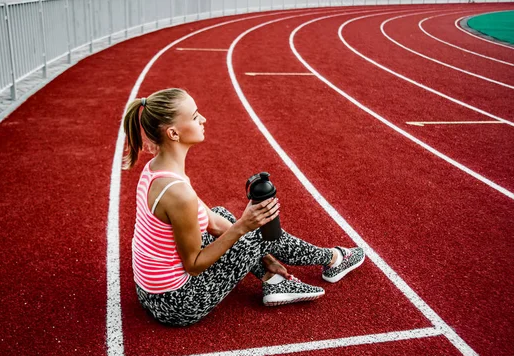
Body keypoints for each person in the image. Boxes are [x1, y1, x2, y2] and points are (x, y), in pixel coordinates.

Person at [123, 88, 365, 327]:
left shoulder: (157, 169)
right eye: (196, 116)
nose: (203, 119)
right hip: (176, 305)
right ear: (174, 133)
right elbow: (194, 265)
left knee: (222, 214)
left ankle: (275, 281)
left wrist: (264, 257)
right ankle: (332, 258)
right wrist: (244, 227)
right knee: (261, 232)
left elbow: (215, 223)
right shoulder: (178, 193)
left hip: (151, 292)